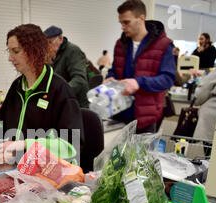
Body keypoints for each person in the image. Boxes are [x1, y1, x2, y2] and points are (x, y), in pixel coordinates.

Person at [0, 24, 84, 161]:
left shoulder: (60, 90)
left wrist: (24, 144)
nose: (10, 58)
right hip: (20, 166)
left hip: (51, 172)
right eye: (9, 51)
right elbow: (2, 126)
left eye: (16, 51)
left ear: (35, 51)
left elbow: (70, 146)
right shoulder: (18, 87)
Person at [105, 0, 175, 133]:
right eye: (121, 23)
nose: (123, 27)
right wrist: (110, 77)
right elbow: (115, 70)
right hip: (119, 113)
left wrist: (139, 83)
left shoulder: (164, 45)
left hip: (145, 118)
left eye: (126, 22)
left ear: (141, 18)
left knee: (141, 154)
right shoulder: (120, 44)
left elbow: (167, 79)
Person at [43, 25, 90, 109]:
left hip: (77, 103)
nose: (48, 47)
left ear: (60, 38)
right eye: (46, 44)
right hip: (60, 102)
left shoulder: (73, 51)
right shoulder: (51, 54)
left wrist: (60, 93)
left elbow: (79, 79)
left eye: (50, 42)